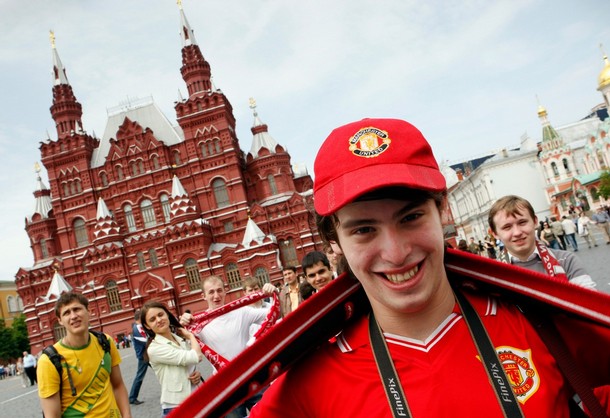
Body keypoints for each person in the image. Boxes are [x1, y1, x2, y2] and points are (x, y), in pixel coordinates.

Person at [249, 118, 610, 417]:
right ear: (334, 240)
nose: (395, 252)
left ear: (442, 211)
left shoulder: (536, 320)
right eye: (363, 229)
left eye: (411, 217)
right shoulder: (308, 382)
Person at [182, 275, 276, 418]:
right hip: (226, 387)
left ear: (225, 291)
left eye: (219, 290)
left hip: (253, 379)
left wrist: (274, 293)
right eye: (211, 292)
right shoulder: (197, 324)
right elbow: (188, 353)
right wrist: (182, 323)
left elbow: (274, 313)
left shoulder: (241, 311)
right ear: (203, 296)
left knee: (269, 415)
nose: (216, 296)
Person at [37, 291, 131, 418]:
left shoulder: (105, 342)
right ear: (60, 321)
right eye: (66, 313)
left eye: (77, 309)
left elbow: (118, 385)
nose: (73, 316)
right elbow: (52, 415)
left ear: (88, 311)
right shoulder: (49, 360)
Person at [489, 195, 596, 289]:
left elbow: (591, 304)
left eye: (522, 222)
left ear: (535, 221)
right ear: (495, 234)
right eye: (507, 227)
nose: (517, 232)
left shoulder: (566, 260)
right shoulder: (490, 274)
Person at [141, 301, 203, 418]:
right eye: (152, 319)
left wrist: (195, 374)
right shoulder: (155, 348)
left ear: (167, 315)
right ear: (148, 326)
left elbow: (188, 364)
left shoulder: (179, 339)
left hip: (194, 399)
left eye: (160, 315)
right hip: (176, 406)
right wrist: (190, 335)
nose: (158, 320)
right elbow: (196, 356)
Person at [128, 309, 149, 405]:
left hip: (146, 354)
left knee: (161, 370)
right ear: (140, 317)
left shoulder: (138, 327)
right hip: (143, 356)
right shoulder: (136, 329)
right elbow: (144, 341)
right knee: (139, 376)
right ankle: (132, 397)